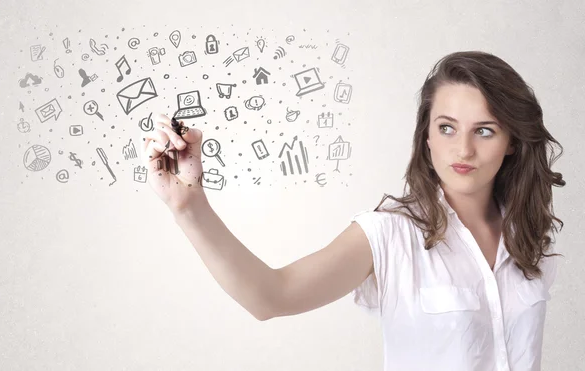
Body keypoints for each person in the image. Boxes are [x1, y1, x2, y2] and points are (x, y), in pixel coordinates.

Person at [140, 50, 566, 371]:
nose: (464, 149)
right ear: (427, 136)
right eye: (447, 127)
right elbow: (271, 295)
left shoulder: (529, 240)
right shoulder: (389, 234)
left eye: (485, 131)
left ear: (511, 141)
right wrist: (188, 206)